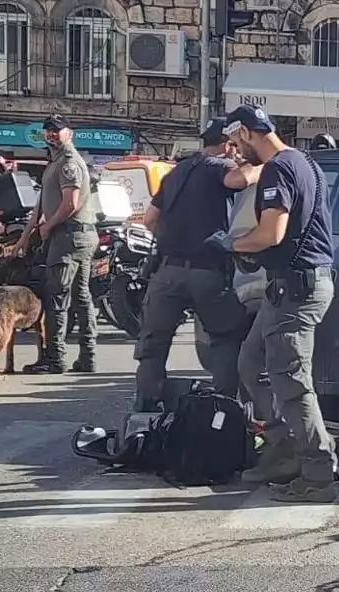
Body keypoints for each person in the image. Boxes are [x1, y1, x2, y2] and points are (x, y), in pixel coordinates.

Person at [220, 104, 338, 503]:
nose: (236, 153)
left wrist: (232, 245)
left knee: (292, 384)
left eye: (237, 144)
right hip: (291, 286)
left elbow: (271, 232)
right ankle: (285, 449)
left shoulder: (276, 169)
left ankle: (318, 475)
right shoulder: (305, 162)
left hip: (296, 291)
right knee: (252, 363)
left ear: (250, 134)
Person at [132, 117, 260, 411]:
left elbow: (150, 219)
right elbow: (240, 180)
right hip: (207, 272)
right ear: (228, 146)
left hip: (167, 271)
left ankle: (146, 410)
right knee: (225, 338)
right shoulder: (222, 167)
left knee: (153, 347)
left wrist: (174, 239)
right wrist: (261, 162)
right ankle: (223, 409)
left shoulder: (176, 172)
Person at [11, 115, 98, 374]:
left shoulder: (69, 163)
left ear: (69, 133)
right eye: (47, 131)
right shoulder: (56, 162)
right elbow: (39, 209)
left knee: (57, 297)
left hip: (69, 236)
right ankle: (87, 356)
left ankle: (55, 358)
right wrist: (24, 239)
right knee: (81, 297)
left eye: (56, 131)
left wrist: (48, 227)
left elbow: (69, 203)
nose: (51, 135)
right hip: (74, 235)